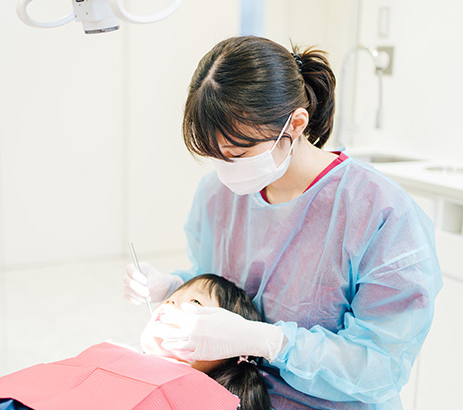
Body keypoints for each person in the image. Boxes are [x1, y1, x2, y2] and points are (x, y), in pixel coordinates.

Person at [123, 36, 442, 410]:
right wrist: (173, 287)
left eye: (238, 153)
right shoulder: (216, 194)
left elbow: (379, 366)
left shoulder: (380, 212)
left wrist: (269, 341)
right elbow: (219, 281)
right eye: (216, 155)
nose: (226, 170)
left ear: (295, 125)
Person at [0, 274, 271, 410]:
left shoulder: (207, 397)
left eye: (195, 303)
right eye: (173, 297)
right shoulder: (115, 351)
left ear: (229, 343)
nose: (171, 303)